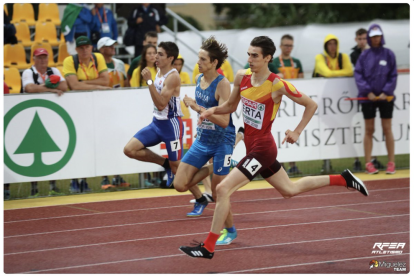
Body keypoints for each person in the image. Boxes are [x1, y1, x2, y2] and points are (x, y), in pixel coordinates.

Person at [179, 36, 369, 259]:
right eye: (248, 54)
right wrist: (210, 111)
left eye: (255, 55)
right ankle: (343, 179)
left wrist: (296, 131)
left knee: (221, 189)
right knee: (290, 190)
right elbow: (230, 106)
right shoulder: (242, 77)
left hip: (263, 149)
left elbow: (311, 104)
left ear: (268, 58)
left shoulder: (276, 84)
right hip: (252, 147)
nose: (249, 59)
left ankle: (208, 247)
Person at [174, 37, 237, 240]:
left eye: (202, 59)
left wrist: (198, 108)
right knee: (179, 185)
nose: (198, 63)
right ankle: (217, 167)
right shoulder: (199, 80)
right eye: (198, 58)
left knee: (219, 193)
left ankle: (231, 232)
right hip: (202, 140)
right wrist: (198, 110)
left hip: (222, 142)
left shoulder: (223, 84)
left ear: (214, 63)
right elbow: (204, 115)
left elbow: (225, 121)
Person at [123, 41, 182, 188]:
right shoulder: (159, 70)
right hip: (157, 123)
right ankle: (165, 164)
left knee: (178, 168)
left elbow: (161, 104)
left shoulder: (173, 76)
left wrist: (149, 81)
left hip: (170, 125)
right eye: (156, 53)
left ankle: (200, 196)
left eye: (160, 54)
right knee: (129, 150)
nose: (156, 56)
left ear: (170, 58)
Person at [354, 24, 397, 175]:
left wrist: (386, 91)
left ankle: (391, 162)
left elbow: (393, 75)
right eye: (373, 36)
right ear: (369, 38)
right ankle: (368, 163)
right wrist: (368, 92)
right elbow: (358, 75)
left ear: (381, 36)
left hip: (386, 98)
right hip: (368, 99)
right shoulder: (364, 56)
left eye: (377, 36)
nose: (375, 39)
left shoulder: (389, 54)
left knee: (387, 129)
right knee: (369, 130)